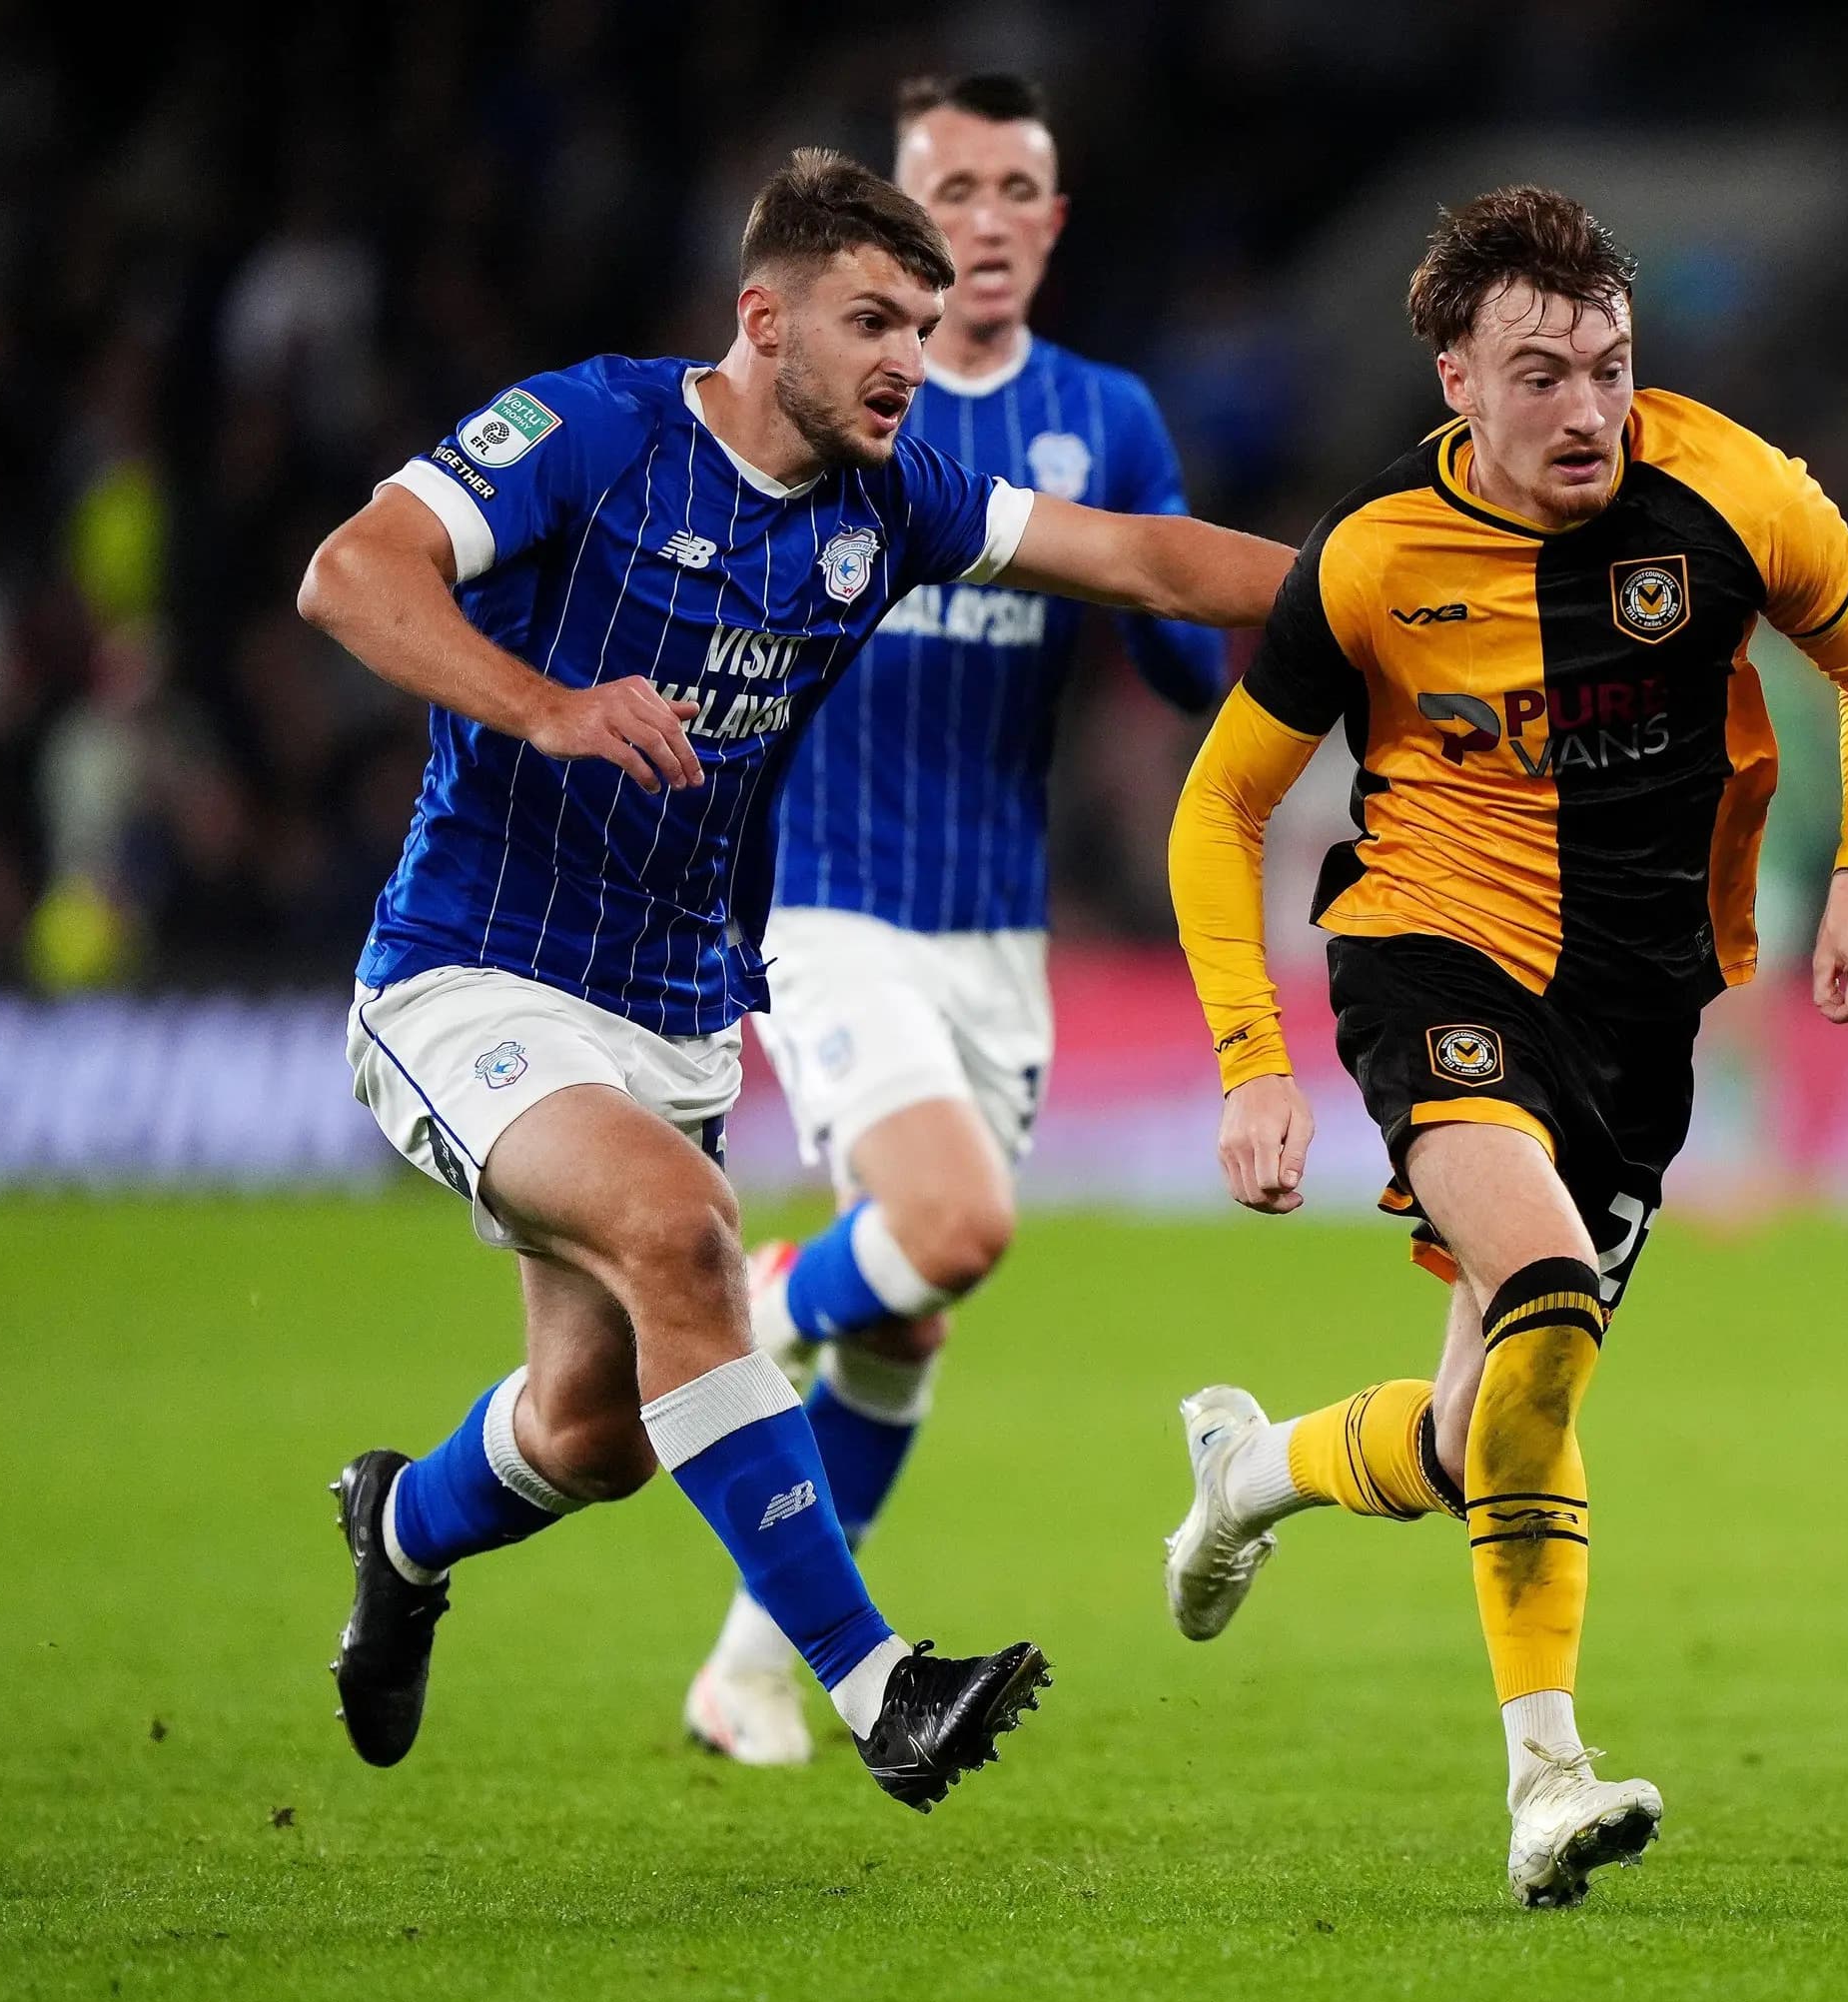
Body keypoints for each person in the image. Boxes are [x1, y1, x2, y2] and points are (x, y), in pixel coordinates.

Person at [300, 149, 1289, 1810]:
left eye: (924, 321)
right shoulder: (593, 432)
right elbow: (352, 572)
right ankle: (878, 1680)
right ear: (765, 320)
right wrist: (544, 702)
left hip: (677, 1007)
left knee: (596, 1430)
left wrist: (1416, 584)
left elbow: (1142, 562)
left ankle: (400, 1528)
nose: (913, 355)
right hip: (471, 973)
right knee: (684, 1232)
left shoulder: (889, 498)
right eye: (873, 320)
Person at [1155, 187, 1848, 1906]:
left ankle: (1250, 1472)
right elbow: (1220, 809)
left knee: (1478, 1428)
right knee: (1553, 1296)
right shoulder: (1371, 560)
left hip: (1643, 1015)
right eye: (1539, 373)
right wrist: (1248, 1057)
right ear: (1457, 379)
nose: (1586, 408)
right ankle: (1547, 1777)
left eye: (1608, 364)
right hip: (1432, 955)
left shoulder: (1731, 489)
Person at [682, 73, 1233, 1770]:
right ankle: (736, 1299)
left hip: (999, 933)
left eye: (1016, 190)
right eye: (953, 190)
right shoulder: (848, 405)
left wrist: (1226, 661)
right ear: (897, 226)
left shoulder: (1106, 417)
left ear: (1053, 225)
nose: (985, 219)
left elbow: (1175, 652)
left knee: (911, 1314)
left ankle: (747, 1670)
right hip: (830, 905)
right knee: (948, 1222)